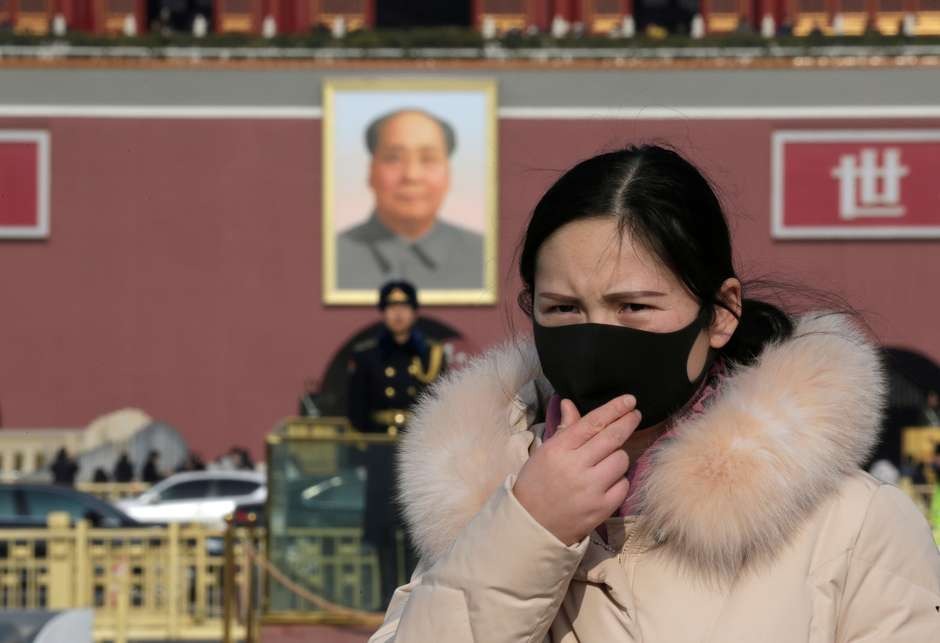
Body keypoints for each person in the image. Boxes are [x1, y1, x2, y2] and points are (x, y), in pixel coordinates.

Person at [369, 146, 940, 641]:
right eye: (563, 309)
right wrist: (527, 533)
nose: (596, 338)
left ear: (721, 314)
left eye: (633, 307)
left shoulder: (853, 526)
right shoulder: (488, 508)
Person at [347, 280, 447, 607]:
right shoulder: (368, 356)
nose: (398, 314)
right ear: (383, 313)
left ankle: (418, 597)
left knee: (416, 524)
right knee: (384, 527)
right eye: (391, 307)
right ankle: (386, 597)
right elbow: (356, 412)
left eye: (404, 307)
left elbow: (440, 403)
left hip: (417, 450)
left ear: (415, 312)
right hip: (381, 453)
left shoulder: (429, 354)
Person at [336, 109, 484, 290]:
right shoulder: (331, 256)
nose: (412, 175)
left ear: (449, 174)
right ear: (371, 171)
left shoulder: (486, 256)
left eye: (428, 159)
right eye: (394, 158)